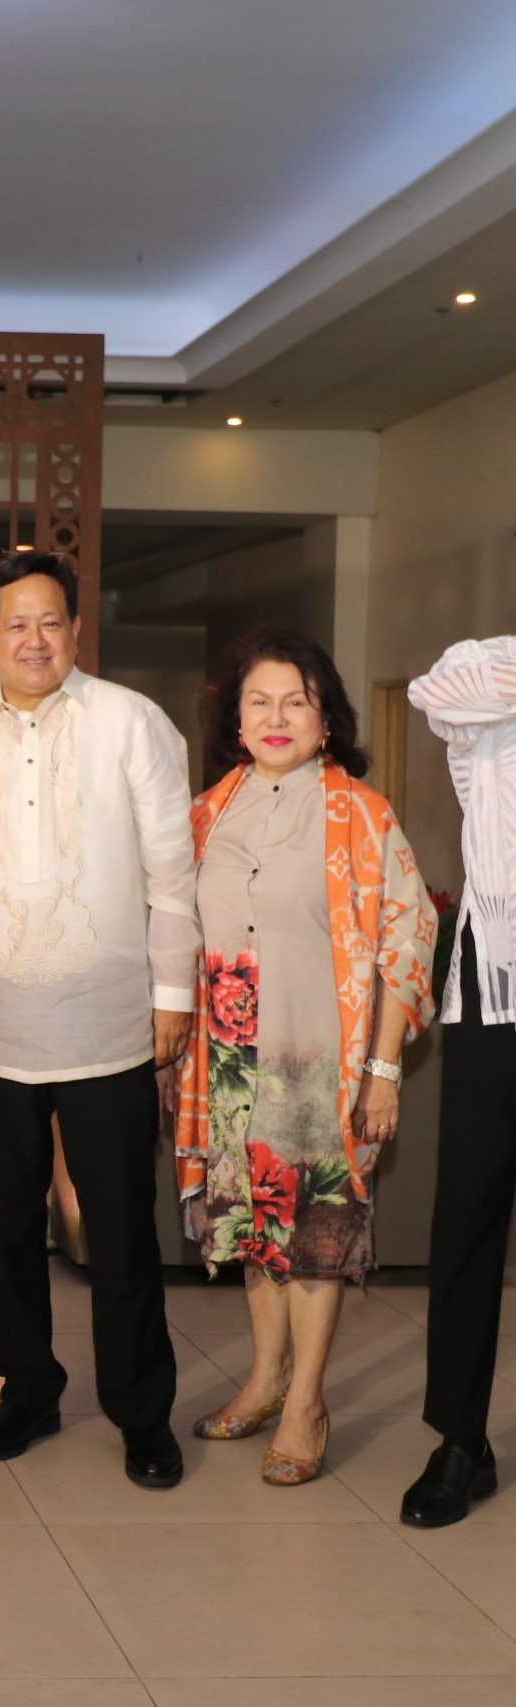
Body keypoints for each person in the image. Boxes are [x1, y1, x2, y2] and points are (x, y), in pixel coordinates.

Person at [0, 551, 197, 1490]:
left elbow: (171, 871)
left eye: (50, 621)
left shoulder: (130, 721)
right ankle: (26, 1388)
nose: (33, 639)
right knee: (4, 1227)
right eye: (14, 623)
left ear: (74, 628)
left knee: (119, 1228)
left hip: (107, 1017)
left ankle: (141, 1411)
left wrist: (171, 994)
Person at [177, 629, 435, 1485]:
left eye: (296, 701)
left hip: (321, 1058)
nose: (275, 716)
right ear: (235, 720)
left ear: (326, 720)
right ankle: (263, 1378)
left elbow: (408, 941)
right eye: (259, 701)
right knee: (254, 1229)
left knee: (315, 1237)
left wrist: (383, 1071)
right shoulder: (206, 813)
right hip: (229, 1057)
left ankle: (305, 1405)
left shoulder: (360, 813)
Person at [402, 634, 516, 1526]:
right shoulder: (484, 664)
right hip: (498, 974)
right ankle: (459, 1440)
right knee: (469, 1206)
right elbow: (432, 692)